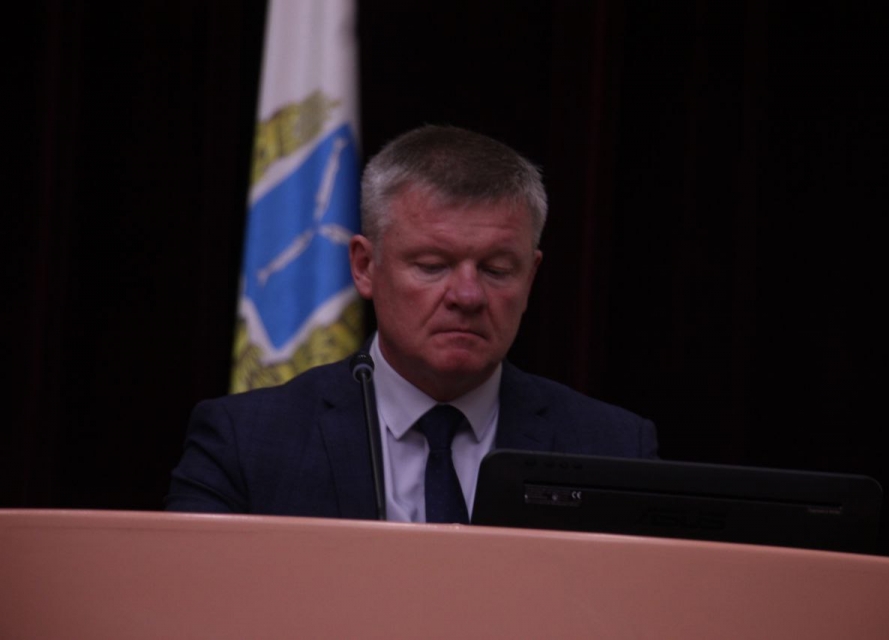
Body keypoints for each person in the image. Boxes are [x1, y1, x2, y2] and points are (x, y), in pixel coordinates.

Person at [166, 125, 658, 522]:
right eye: (432, 266)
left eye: (496, 270)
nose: (467, 296)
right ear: (365, 267)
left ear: (530, 278)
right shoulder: (246, 443)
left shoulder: (614, 450)